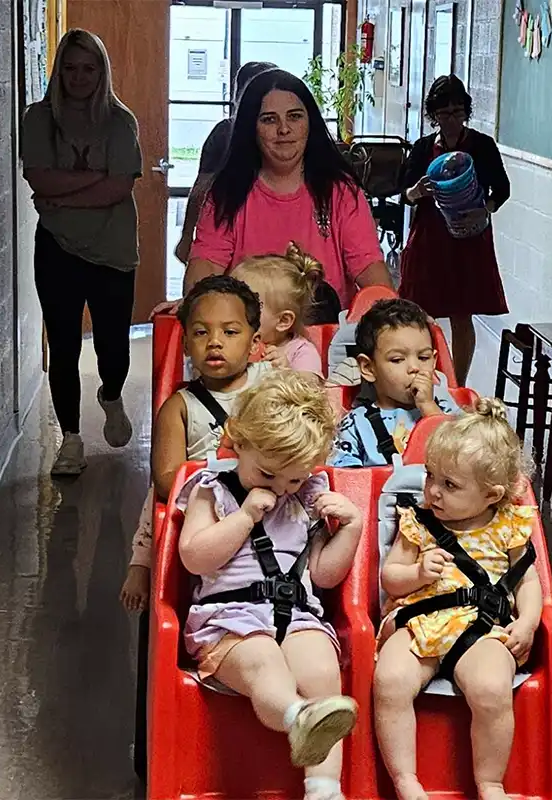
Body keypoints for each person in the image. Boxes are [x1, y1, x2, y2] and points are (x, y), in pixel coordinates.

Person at [177, 370, 363, 796]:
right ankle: (297, 717)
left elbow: (323, 575)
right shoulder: (214, 490)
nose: (281, 489)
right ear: (238, 442)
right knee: (264, 663)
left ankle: (324, 787)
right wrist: (243, 518)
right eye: (267, 475)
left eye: (293, 479)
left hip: (297, 614)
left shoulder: (306, 497)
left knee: (322, 669)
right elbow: (194, 556)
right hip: (229, 622)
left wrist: (349, 528)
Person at [373, 398, 542, 800]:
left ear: (491, 494)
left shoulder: (509, 526)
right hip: (419, 622)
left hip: (483, 629)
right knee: (389, 681)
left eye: (449, 485)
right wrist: (415, 573)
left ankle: (490, 782)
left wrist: (529, 621)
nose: (432, 491)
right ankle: (406, 782)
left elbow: (528, 582)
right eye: (430, 476)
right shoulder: (418, 522)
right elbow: (390, 578)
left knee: (491, 689)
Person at [22, 29, 142, 476]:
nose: (78, 77)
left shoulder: (119, 121)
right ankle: (70, 439)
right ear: (59, 70)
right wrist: (90, 183)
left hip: (112, 251)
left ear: (101, 71)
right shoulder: (39, 119)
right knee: (65, 345)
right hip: (57, 248)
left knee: (114, 348)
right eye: (70, 67)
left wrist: (61, 193)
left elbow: (119, 187)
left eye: (88, 68)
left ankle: (110, 396)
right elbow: (39, 180)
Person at [180, 68, 391, 309]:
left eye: (294, 116)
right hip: (247, 337)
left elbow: (367, 265)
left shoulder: (341, 192)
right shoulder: (227, 194)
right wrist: (195, 302)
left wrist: (395, 315)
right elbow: (206, 262)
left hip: (326, 336)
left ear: (310, 123)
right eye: (269, 119)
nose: (284, 129)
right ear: (251, 128)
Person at [120, 275, 271, 611]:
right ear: (186, 344)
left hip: (272, 497)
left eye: (230, 332)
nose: (215, 342)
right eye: (201, 333)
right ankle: (142, 561)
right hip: (208, 509)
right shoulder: (180, 406)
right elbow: (165, 480)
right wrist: (226, 473)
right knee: (155, 500)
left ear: (255, 341)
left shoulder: (273, 384)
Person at [399, 75, 510, 387]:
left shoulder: (482, 146)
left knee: (462, 315)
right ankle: (420, 381)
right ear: (434, 114)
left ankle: (457, 386)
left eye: (458, 112)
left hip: (468, 237)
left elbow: (502, 188)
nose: (452, 120)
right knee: (419, 314)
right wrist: (416, 191)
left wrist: (484, 208)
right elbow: (403, 192)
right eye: (445, 113)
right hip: (430, 238)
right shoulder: (422, 149)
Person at [328, 299, 463, 468]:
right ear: (368, 368)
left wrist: (429, 408)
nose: (414, 368)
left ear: (434, 361)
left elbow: (467, 456)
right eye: (397, 359)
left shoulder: (446, 407)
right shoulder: (356, 425)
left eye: (423, 358)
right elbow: (345, 480)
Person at [174, 61, 277, 265]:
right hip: (232, 237)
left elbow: (201, 188)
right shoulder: (226, 133)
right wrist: (187, 237)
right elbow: (202, 188)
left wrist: (186, 238)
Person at [231, 242, 324, 378]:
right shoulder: (234, 343)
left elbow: (310, 390)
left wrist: (286, 373)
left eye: (246, 307)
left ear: (283, 321)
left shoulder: (300, 351)